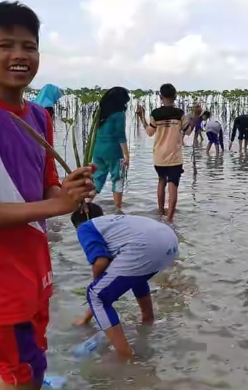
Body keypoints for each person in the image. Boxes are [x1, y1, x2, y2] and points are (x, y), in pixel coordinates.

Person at [0, 3, 96, 389]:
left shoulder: (40, 117)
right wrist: (56, 204)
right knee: (20, 373)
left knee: (30, 366)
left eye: (29, 46)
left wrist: (70, 191)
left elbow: (47, 187)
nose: (19, 56)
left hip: (35, 267)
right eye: (5, 45)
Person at [71, 203, 178, 359]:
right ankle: (147, 322)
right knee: (135, 278)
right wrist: (87, 317)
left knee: (96, 295)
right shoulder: (113, 224)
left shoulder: (85, 227)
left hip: (145, 246)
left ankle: (125, 356)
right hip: (170, 242)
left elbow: (100, 263)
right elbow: (126, 273)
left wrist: (97, 290)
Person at [138, 83, 198, 223]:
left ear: (161, 97)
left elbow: (149, 132)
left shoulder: (155, 114)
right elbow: (188, 131)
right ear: (175, 97)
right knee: (173, 186)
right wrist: (196, 116)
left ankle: (160, 211)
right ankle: (170, 218)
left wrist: (141, 117)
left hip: (159, 157)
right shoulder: (179, 114)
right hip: (174, 157)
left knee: (161, 182)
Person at [92, 87, 130, 212]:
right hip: (113, 151)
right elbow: (121, 135)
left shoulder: (100, 113)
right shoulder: (119, 115)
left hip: (97, 150)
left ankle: (85, 204)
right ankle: (118, 210)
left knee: (97, 179)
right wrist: (126, 155)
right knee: (117, 179)